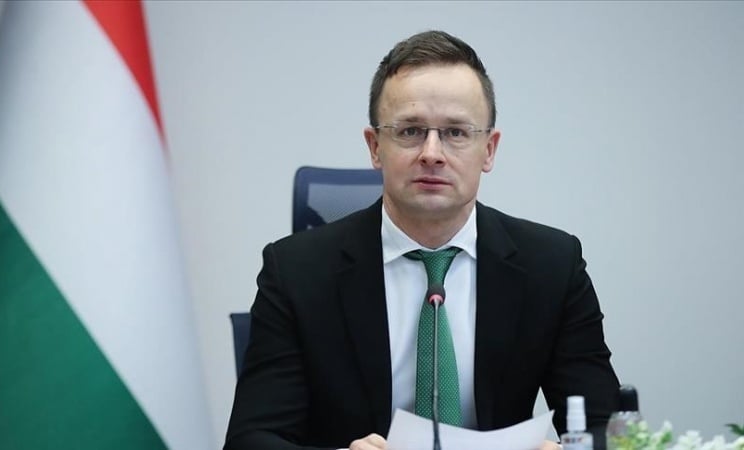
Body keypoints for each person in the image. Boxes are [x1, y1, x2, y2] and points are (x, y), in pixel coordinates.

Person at [224, 30, 619, 450]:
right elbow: (252, 440)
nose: (432, 152)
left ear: (489, 150)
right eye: (411, 131)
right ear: (375, 147)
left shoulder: (551, 265)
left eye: (456, 132)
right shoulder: (296, 272)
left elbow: (610, 429)